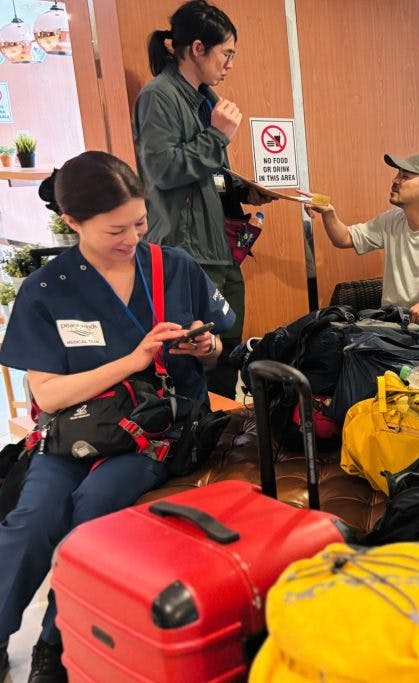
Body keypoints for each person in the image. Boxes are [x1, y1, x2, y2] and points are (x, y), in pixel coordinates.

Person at [0, 151, 235, 682]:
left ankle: (57, 640)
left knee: (95, 505)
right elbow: (49, 396)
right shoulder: (47, 289)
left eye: (139, 223)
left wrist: (207, 348)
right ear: (73, 222)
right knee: (32, 519)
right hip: (75, 430)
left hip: (155, 430)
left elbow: (220, 345)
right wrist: (132, 360)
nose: (131, 238)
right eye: (115, 230)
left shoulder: (175, 267)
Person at [133, 0, 270, 398]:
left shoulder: (204, 99)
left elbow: (209, 176)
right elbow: (162, 170)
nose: (230, 64)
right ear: (197, 48)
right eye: (226, 53)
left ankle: (221, 431)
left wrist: (245, 191)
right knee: (192, 363)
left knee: (227, 353)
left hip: (220, 248)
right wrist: (217, 136)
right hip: (185, 251)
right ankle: (196, 431)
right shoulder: (159, 96)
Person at [305, 153, 419, 324]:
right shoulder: (392, 220)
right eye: (397, 174)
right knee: (326, 330)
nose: (395, 180)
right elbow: (344, 238)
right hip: (389, 319)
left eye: (405, 177)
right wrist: (329, 213)